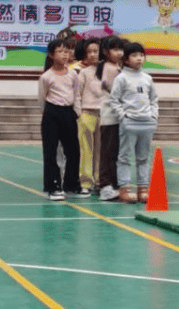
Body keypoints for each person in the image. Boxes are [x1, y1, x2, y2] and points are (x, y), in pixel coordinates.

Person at [109, 42, 159, 204]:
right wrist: (123, 116)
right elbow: (114, 100)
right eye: (134, 55)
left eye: (141, 55)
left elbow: (154, 99)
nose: (139, 58)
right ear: (126, 59)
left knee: (143, 158)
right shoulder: (121, 78)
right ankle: (125, 189)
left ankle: (143, 189)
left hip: (147, 123)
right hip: (129, 123)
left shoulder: (148, 78)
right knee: (124, 157)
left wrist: (153, 116)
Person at [38, 38, 80, 200]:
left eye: (67, 51)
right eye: (60, 51)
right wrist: (49, 113)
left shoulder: (73, 75)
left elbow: (76, 94)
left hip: (69, 113)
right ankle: (53, 186)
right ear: (51, 55)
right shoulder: (46, 77)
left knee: (73, 151)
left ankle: (71, 185)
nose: (65, 55)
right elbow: (42, 98)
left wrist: (76, 111)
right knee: (51, 151)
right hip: (52, 113)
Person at [96, 36, 126, 200]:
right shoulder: (109, 68)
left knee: (114, 151)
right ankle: (106, 185)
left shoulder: (117, 67)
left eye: (120, 49)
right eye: (115, 49)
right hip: (110, 115)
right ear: (106, 52)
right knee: (108, 152)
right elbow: (114, 91)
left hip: (116, 116)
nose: (119, 52)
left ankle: (113, 184)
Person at [74, 39, 104, 196]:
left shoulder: (111, 71)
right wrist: (80, 114)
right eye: (89, 52)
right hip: (87, 114)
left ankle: (100, 181)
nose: (93, 54)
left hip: (105, 116)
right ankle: (85, 182)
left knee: (102, 151)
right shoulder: (84, 73)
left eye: (96, 50)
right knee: (86, 150)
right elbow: (77, 95)